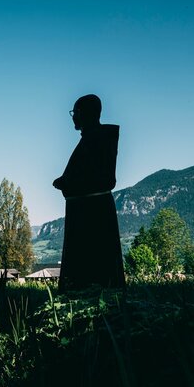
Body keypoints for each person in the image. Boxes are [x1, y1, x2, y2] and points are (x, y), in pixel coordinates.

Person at [53, 94, 125, 291]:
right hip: (87, 209)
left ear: (86, 113)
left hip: (91, 211)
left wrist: (66, 182)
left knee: (90, 265)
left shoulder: (97, 140)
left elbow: (102, 178)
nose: (73, 117)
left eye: (75, 112)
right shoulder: (93, 140)